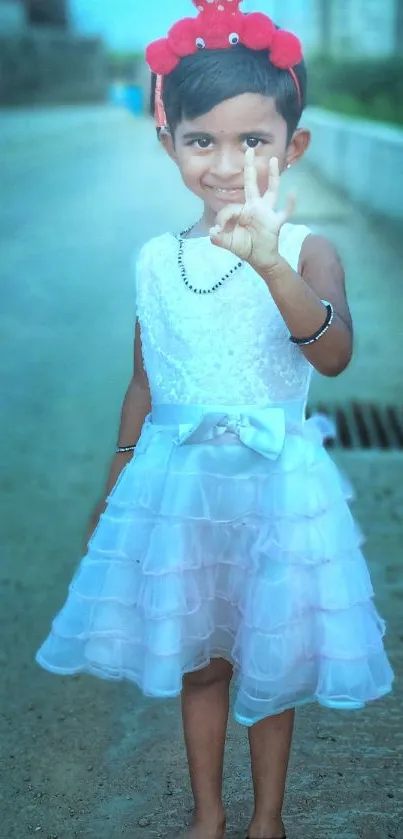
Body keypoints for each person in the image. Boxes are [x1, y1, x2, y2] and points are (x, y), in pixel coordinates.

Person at [36, 2, 394, 838]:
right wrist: (116, 479)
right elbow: (142, 380)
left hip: (275, 493)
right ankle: (208, 814)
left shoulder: (307, 250)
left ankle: (267, 817)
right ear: (168, 141)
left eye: (253, 141)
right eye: (202, 141)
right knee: (201, 665)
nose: (226, 163)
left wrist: (269, 262)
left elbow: (333, 352)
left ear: (291, 145)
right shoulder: (157, 260)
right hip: (179, 494)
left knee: (267, 666)